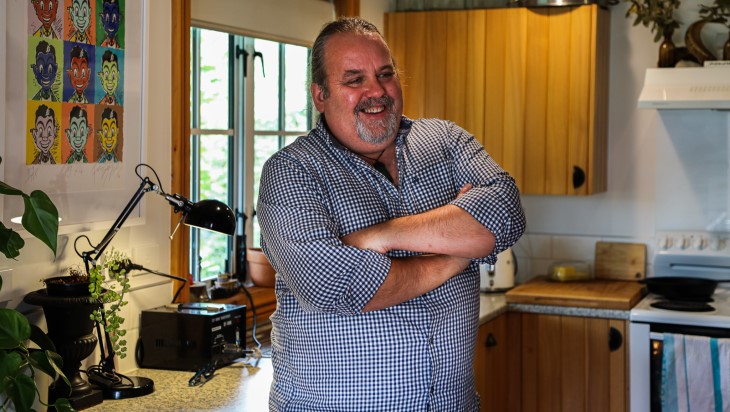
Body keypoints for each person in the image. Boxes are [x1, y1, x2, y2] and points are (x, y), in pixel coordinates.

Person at [257, 17, 526, 411]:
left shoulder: (445, 141)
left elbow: (506, 213)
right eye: (354, 80)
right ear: (320, 95)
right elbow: (330, 284)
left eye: (385, 74)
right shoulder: (292, 172)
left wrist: (384, 236)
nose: (376, 92)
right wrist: (459, 252)